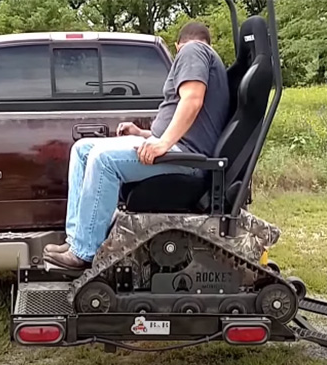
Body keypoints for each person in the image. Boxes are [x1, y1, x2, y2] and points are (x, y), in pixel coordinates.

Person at [43, 22, 230, 270]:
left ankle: (84, 252)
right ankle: (77, 238)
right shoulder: (203, 56)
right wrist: (143, 133)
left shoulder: (193, 51)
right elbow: (188, 116)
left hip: (186, 158)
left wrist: (162, 142)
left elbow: (193, 101)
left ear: (177, 45)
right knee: (83, 149)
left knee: (103, 159)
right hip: (178, 149)